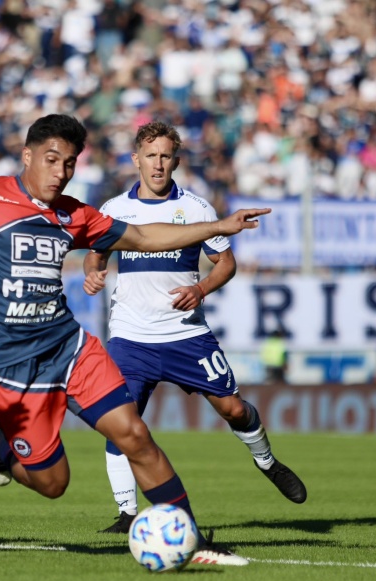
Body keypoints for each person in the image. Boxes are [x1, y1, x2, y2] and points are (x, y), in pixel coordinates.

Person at [0, 114, 271, 566]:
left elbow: (141, 236)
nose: (60, 172)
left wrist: (217, 227)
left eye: (70, 164)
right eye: (51, 160)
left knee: (134, 434)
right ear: (27, 156)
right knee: (54, 483)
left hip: (69, 346)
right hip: (12, 364)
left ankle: (191, 540)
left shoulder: (73, 213)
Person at [82, 121, 307, 535]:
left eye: (166, 156)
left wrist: (201, 288)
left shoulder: (198, 209)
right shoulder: (114, 210)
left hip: (186, 334)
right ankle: (128, 513)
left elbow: (227, 262)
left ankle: (266, 461)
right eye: (150, 156)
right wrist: (93, 274)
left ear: (177, 161)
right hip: (131, 337)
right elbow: (95, 256)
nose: (158, 163)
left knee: (233, 409)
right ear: (136, 160)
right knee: (120, 422)